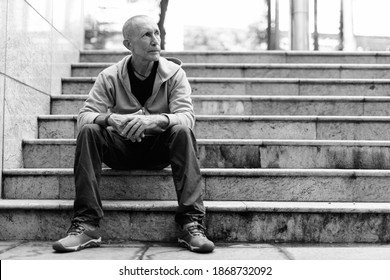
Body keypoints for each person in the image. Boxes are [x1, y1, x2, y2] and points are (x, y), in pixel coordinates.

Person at [52, 15, 214, 253]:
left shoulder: (175, 74)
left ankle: (191, 224)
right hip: (121, 149)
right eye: (146, 35)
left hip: (158, 151)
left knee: (182, 130)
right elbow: (84, 116)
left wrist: (157, 120)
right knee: (90, 130)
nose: (155, 40)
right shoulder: (109, 76)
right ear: (128, 45)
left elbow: (187, 117)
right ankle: (86, 225)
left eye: (156, 33)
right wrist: (110, 119)